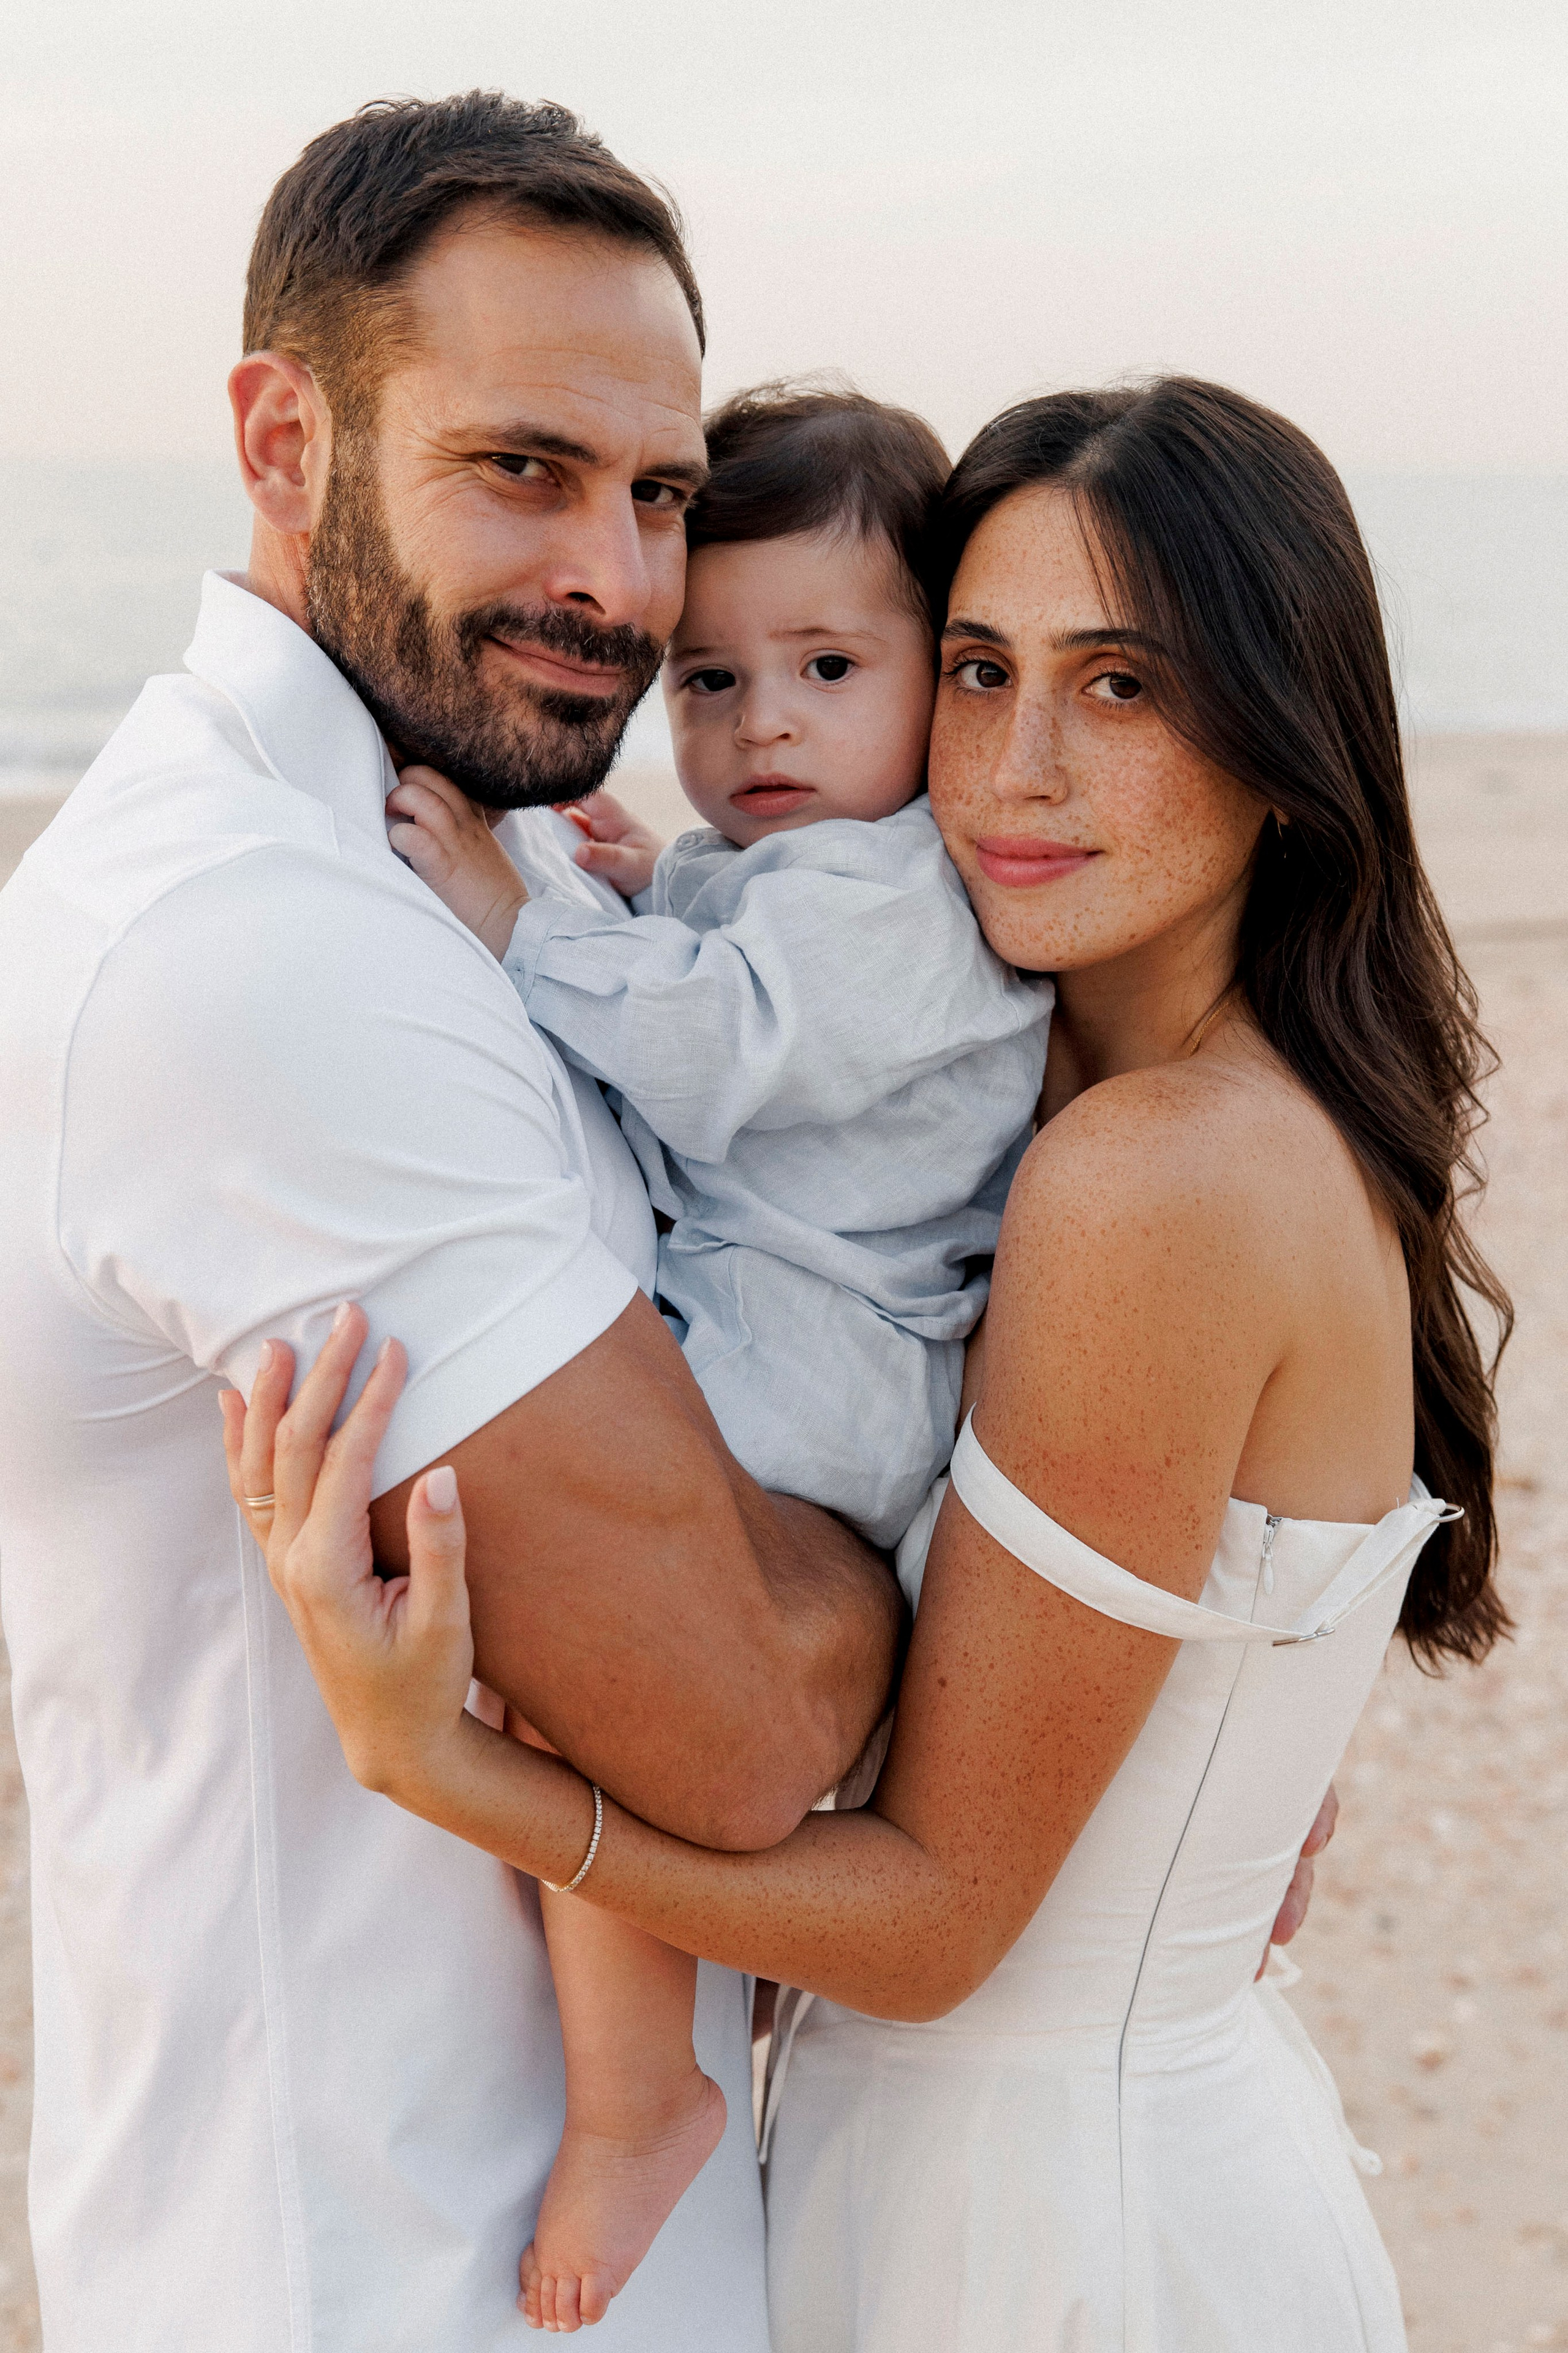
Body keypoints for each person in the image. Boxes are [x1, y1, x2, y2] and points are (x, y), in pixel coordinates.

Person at [230, 377, 1510, 2349]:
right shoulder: (1128, 1107)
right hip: (1052, 2167)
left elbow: (934, 1923)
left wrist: (453, 1767)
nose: (1012, 769)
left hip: (1051, 2237)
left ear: (1281, 734)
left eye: (1124, 688)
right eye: (983, 670)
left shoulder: (1153, 1173)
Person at [0, 94, 905, 2352]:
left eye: (662, 493)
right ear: (284, 439)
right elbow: (731, 1730)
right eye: (525, 468)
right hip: (386, 2277)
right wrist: (904, 1560)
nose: (618, 578)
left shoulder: (426, 886)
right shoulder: (265, 948)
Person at [384, 383, 1051, 2324]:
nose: (758, 723)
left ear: (945, 677)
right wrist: (625, 877)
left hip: (823, 1364)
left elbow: (716, 1043)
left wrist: (515, 906)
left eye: (829, 666)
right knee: (593, 1663)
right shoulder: (810, 870)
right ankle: (676, 2029)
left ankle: (637, 2093)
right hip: (776, 1328)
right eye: (704, 678)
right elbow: (729, 967)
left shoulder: (913, 891)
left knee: (594, 1645)